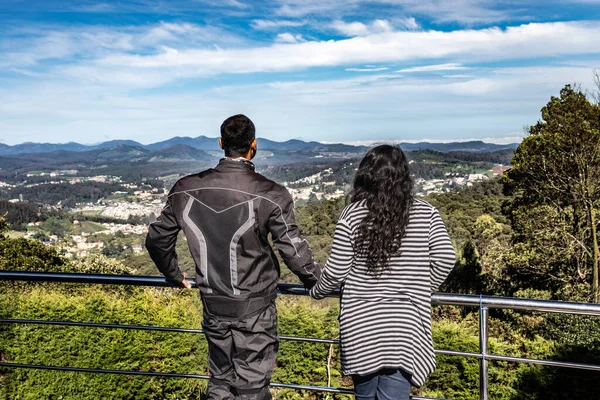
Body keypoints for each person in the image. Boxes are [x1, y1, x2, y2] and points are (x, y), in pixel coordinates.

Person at [145, 114, 321, 400]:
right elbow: (294, 250)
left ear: (221, 143)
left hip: (212, 303)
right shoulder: (271, 194)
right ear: (254, 146)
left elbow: (156, 239)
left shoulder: (185, 188)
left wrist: (174, 275)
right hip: (254, 307)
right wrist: (318, 283)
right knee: (252, 386)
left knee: (219, 381)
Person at [310, 144, 456, 400]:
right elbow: (446, 258)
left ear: (365, 175)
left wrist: (316, 291)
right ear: (403, 176)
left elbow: (335, 272)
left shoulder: (352, 214)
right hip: (405, 326)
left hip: (362, 326)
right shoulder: (426, 212)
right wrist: (420, 286)